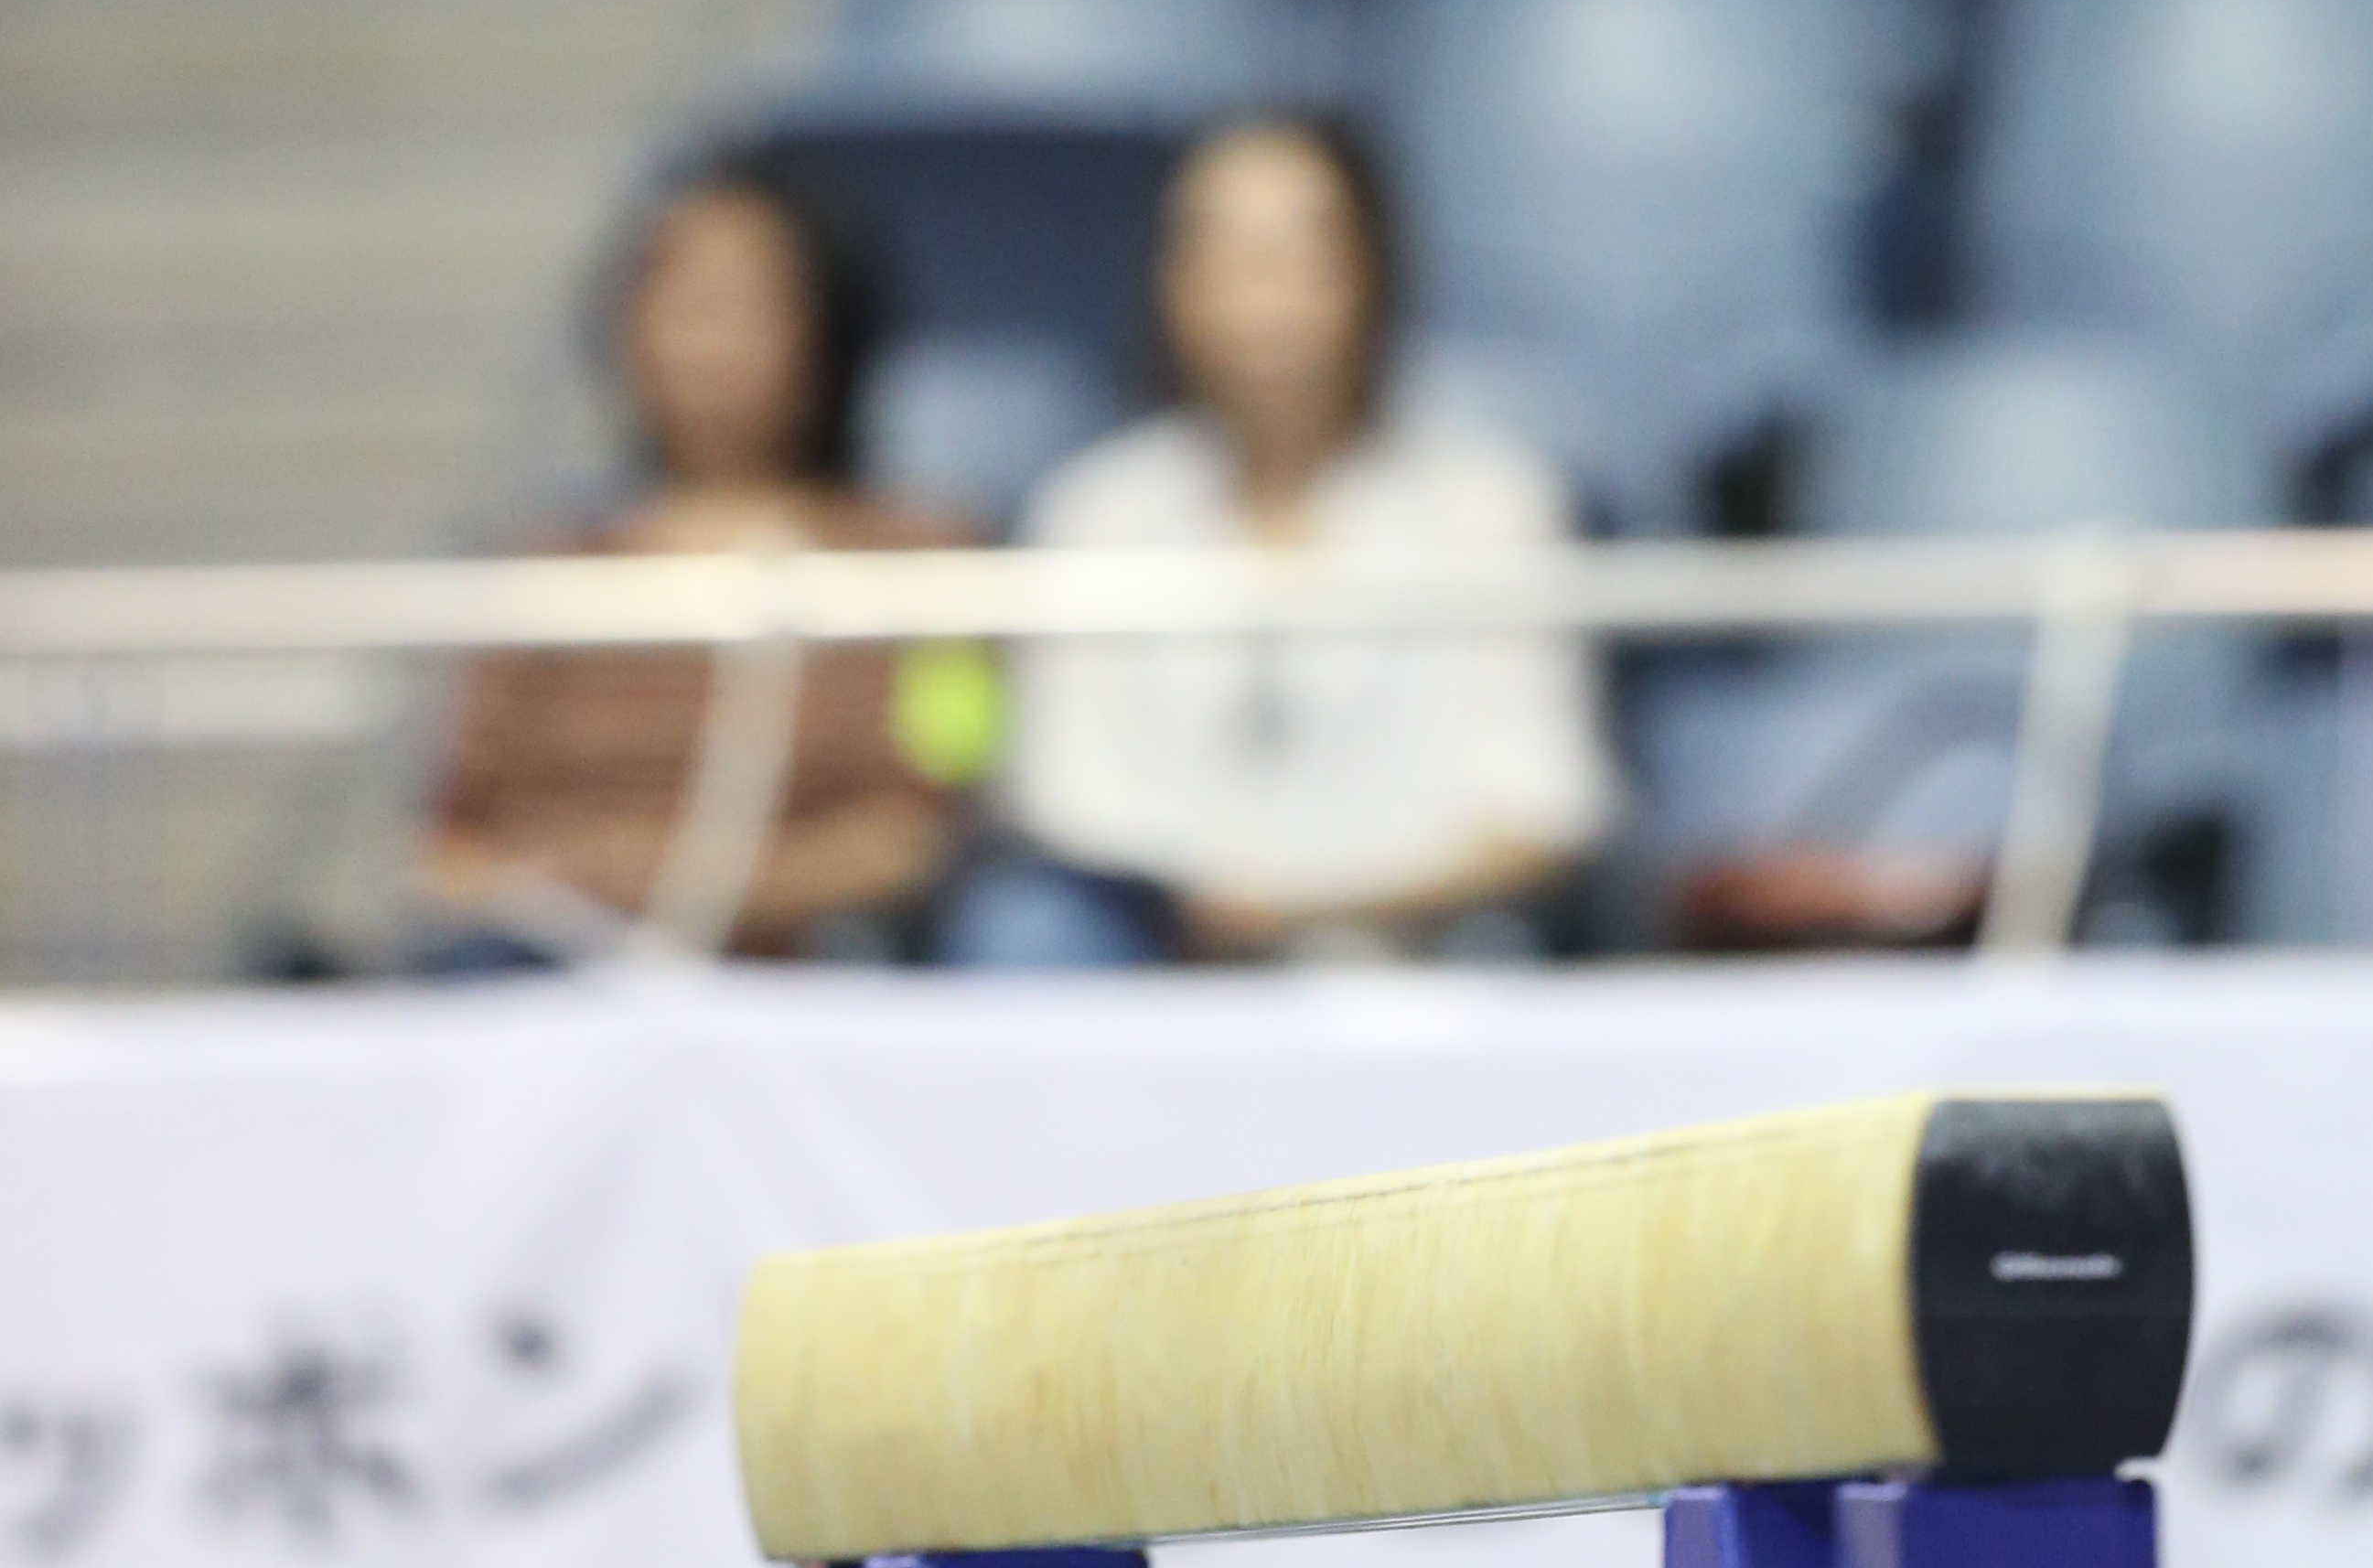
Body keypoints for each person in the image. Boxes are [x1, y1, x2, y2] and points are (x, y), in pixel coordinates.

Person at [975, 112, 1615, 964]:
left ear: (1372, 275)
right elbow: (1057, 791)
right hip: (1155, 953)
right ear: (1170, 283)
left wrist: (1316, 907)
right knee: (1026, 933)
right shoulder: (1096, 507)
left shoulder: (1491, 502)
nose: (1264, 300)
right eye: (1226, 255)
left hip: (1422, 954)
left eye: (1301, 256)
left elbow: (1542, 810)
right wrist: (1203, 903)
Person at [413, 154, 966, 968]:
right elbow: (448, 847)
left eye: (747, 303)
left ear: (825, 324)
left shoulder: (931, 560)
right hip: (557, 962)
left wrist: (706, 883)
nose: (707, 340)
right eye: (678, 299)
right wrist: (572, 888)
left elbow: (928, 822)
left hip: (823, 959)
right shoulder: (548, 569)